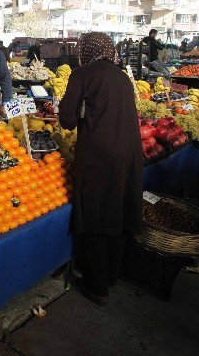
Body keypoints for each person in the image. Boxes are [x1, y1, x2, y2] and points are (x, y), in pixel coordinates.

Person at [58, 32, 143, 306]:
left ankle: (97, 287)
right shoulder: (122, 77)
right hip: (129, 153)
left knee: (95, 215)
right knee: (117, 212)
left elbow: (67, 120)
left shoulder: (82, 74)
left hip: (99, 155)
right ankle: (111, 277)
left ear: (85, 50)